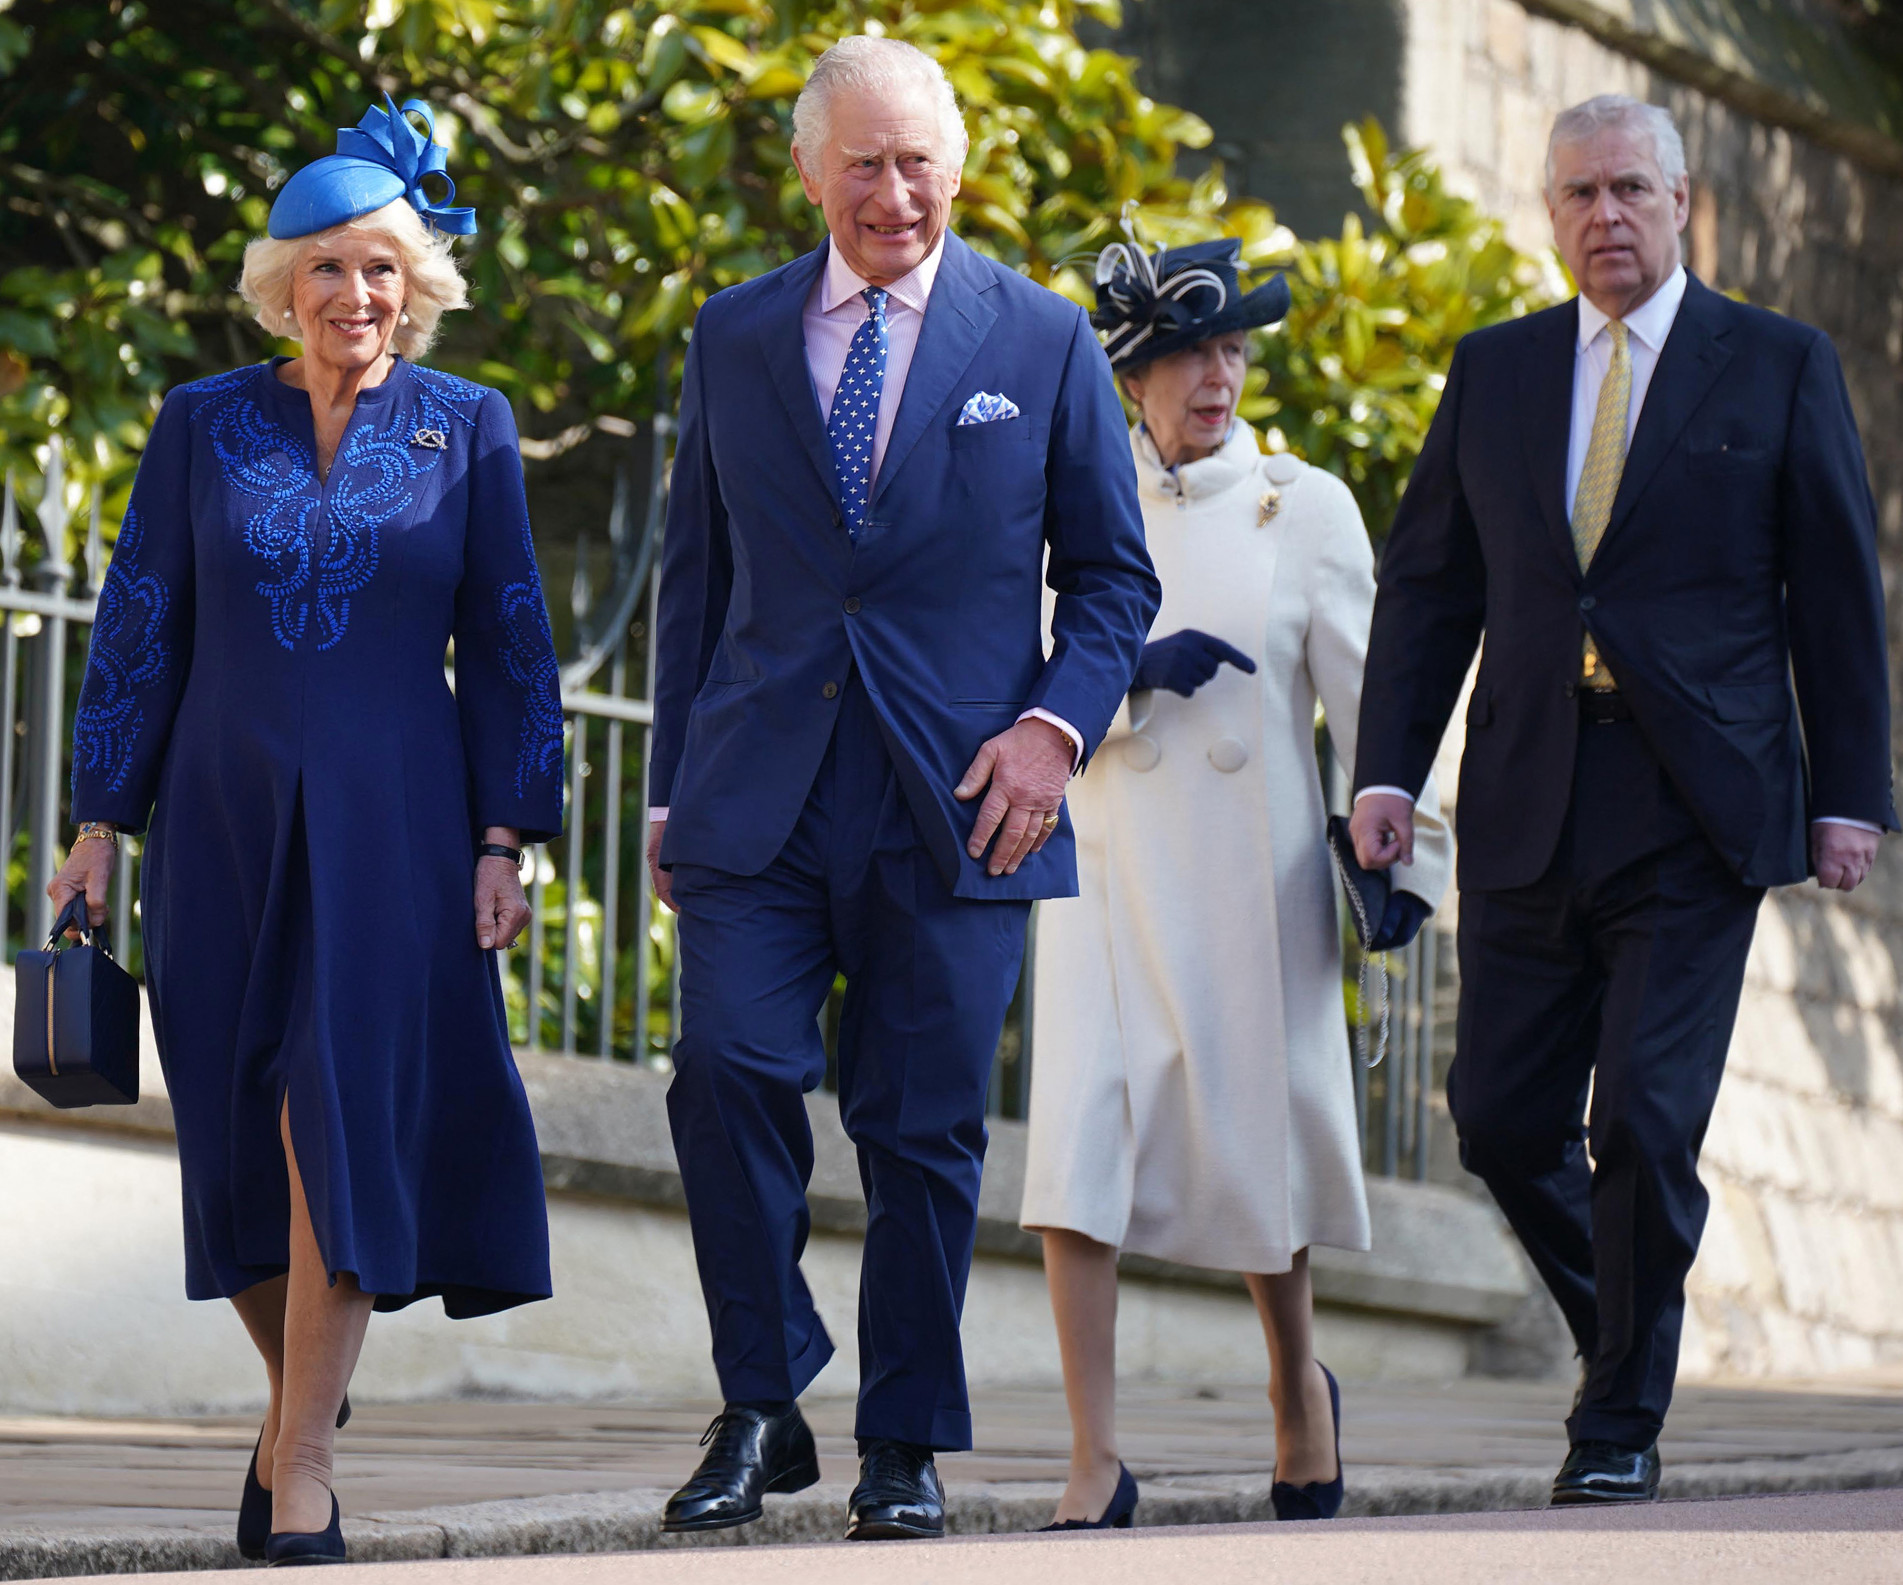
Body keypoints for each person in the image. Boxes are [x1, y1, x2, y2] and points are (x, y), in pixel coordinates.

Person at [644, 36, 1158, 1543]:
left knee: (924, 1128)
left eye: (918, 158)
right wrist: (671, 787)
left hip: (962, 799)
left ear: (959, 167)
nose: (893, 191)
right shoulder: (733, 337)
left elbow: (1116, 581)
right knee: (724, 1070)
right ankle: (761, 1397)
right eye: (861, 162)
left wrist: (1055, 730)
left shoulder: (1045, 339)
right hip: (760, 790)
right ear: (811, 173)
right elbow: (699, 577)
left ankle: (904, 1441)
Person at [1350, 95, 1894, 1506]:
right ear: (1552, 216)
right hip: (1531, 786)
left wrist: (1851, 792)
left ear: (1682, 202)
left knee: (1646, 1123)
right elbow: (1430, 589)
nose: (1606, 216)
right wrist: (1386, 768)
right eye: (1579, 194)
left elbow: (1835, 594)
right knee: (1494, 1120)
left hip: (1696, 804)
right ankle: (1630, 1329)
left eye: (1629, 191)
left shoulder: (1776, 366)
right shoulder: (1498, 373)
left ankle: (1618, 1422)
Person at [49, 96, 564, 1565]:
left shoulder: (471, 427)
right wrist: (100, 820)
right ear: (284, 285)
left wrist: (503, 836)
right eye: (329, 269)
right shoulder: (203, 421)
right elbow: (140, 623)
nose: (357, 297)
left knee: (331, 1115)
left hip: (397, 823)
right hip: (216, 815)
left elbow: (514, 643)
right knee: (231, 1136)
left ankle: (304, 1473)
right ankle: (290, 1424)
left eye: (385, 270)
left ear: (422, 286)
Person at [1019, 233, 1452, 1530]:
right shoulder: (1071, 498)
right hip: (1101, 850)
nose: (1214, 376)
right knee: (1077, 1153)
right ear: (1131, 376)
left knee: (1257, 1148)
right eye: (1182, 355)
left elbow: (1382, 706)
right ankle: (1094, 1456)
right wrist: (1120, 670)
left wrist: (1405, 853)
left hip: (1247, 876)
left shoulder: (1302, 504)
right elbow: (1028, 666)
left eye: (1230, 350)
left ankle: (1292, 1388)